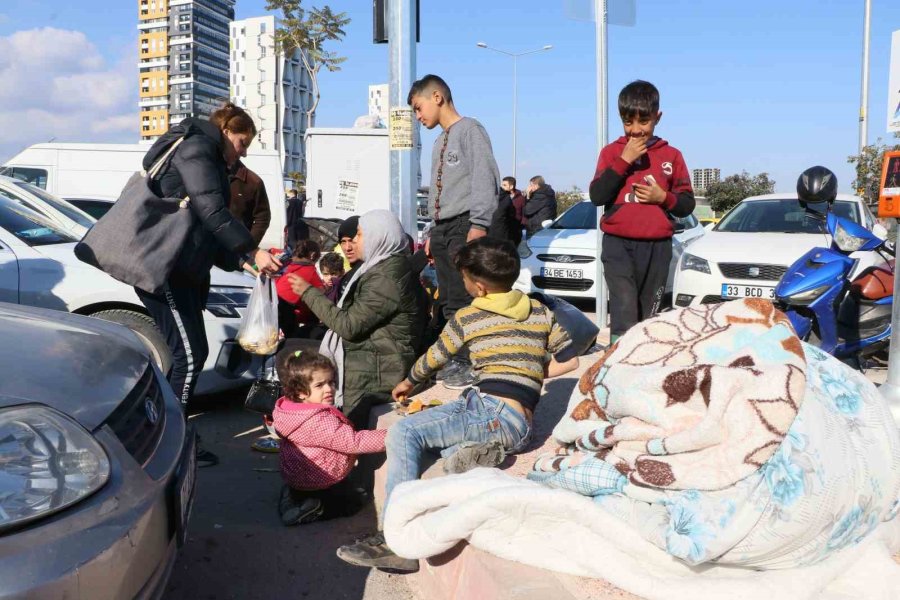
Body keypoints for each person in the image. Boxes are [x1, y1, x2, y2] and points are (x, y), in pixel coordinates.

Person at [336, 237, 578, 573]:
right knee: (447, 441)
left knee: (404, 433)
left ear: (478, 287)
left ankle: (397, 542)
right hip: (522, 428)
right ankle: (471, 452)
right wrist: (529, 372)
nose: (461, 284)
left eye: (463, 278)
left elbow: (436, 355)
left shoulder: (469, 316)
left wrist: (408, 381)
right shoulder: (539, 311)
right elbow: (570, 360)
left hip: (489, 411)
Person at [136, 102, 281, 467]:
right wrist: (252, 249)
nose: (243, 152)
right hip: (166, 267)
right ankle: (172, 444)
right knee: (191, 355)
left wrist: (244, 262)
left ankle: (160, 433)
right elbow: (212, 214)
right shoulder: (199, 148)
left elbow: (204, 233)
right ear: (228, 132)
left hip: (183, 268)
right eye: (242, 142)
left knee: (186, 357)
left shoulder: (208, 155)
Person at [286, 209, 426, 429]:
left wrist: (308, 292)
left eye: (359, 235)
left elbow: (349, 325)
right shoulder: (378, 268)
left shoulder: (386, 276)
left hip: (376, 371)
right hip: (372, 362)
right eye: (346, 240)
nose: (353, 243)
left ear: (378, 237)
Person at [407, 74, 500, 388]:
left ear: (436, 97)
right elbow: (437, 193)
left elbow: (485, 179)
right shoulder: (438, 141)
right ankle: (455, 358)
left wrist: (479, 225)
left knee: (464, 296)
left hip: (464, 225)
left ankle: (469, 362)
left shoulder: (470, 130)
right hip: (444, 229)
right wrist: (433, 232)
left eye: (419, 108)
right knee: (447, 297)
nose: (419, 117)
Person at [588, 80, 695, 344]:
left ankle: (645, 370)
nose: (636, 130)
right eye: (628, 122)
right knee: (624, 310)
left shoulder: (672, 156)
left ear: (657, 117)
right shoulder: (611, 153)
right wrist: (624, 160)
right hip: (618, 246)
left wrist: (664, 198)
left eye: (644, 122)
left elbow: (687, 204)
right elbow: (597, 196)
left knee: (650, 317)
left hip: (657, 248)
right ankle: (615, 371)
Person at [273, 349, 386, 526]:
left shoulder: (288, 409)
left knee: (312, 490)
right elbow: (353, 442)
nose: (329, 389)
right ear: (301, 392)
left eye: (331, 382)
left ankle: (294, 496)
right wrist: (391, 436)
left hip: (297, 475)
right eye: (320, 385)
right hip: (319, 480)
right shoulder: (316, 420)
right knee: (353, 504)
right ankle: (313, 509)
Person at [276, 239, 325, 338]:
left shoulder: (290, 266)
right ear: (312, 255)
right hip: (287, 313)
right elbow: (321, 294)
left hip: (275, 308)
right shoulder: (310, 271)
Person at [228, 159, 271, 246]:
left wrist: (248, 246)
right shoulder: (206, 173)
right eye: (243, 145)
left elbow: (263, 217)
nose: (244, 153)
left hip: (236, 251)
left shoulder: (253, 182)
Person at [489, 179, 522, 247]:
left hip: (492, 230)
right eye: (502, 185)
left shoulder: (494, 196)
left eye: (505, 185)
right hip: (502, 231)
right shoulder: (506, 198)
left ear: (511, 186)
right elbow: (511, 214)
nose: (503, 186)